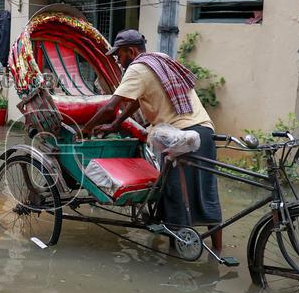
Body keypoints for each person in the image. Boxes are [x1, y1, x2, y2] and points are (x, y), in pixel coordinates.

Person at [80, 29, 223, 252]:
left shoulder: (137, 68)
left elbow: (110, 106)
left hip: (180, 137)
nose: (117, 60)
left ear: (132, 51)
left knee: (176, 193)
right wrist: (117, 125)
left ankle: (176, 256)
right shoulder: (161, 59)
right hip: (204, 131)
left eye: (119, 55)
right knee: (207, 191)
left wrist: (85, 129)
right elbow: (139, 100)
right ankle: (218, 250)